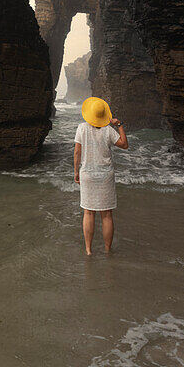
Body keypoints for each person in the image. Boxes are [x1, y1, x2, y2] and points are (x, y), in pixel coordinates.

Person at [73, 96, 128, 255]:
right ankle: (107, 249)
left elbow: (77, 152)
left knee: (88, 212)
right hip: (105, 176)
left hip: (87, 175)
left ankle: (89, 250)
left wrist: (76, 171)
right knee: (107, 215)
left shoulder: (81, 128)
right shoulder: (108, 130)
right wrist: (119, 125)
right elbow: (124, 144)